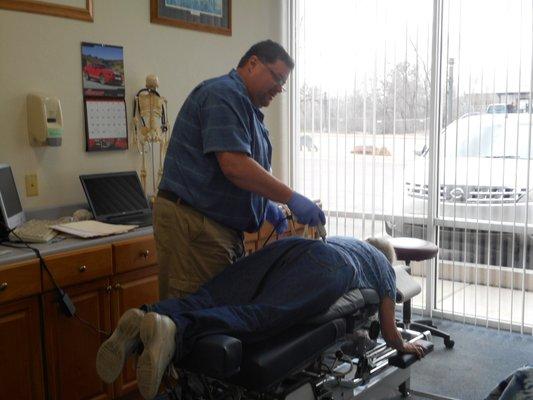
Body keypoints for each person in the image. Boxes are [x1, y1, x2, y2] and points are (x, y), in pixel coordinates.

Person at [96, 236, 426, 400]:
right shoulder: (384, 268)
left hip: (295, 246)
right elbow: (388, 330)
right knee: (263, 315)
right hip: (330, 267)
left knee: (220, 293)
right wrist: (404, 346)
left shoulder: (350, 240)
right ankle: (176, 329)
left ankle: (148, 316)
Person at [154, 39, 325, 300]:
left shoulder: (247, 109)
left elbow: (242, 169)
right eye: (277, 78)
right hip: (194, 226)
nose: (279, 88)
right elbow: (235, 166)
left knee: (217, 316)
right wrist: (290, 197)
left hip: (217, 229)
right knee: (195, 321)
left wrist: (263, 205)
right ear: (253, 63)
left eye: (283, 84)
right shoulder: (223, 95)